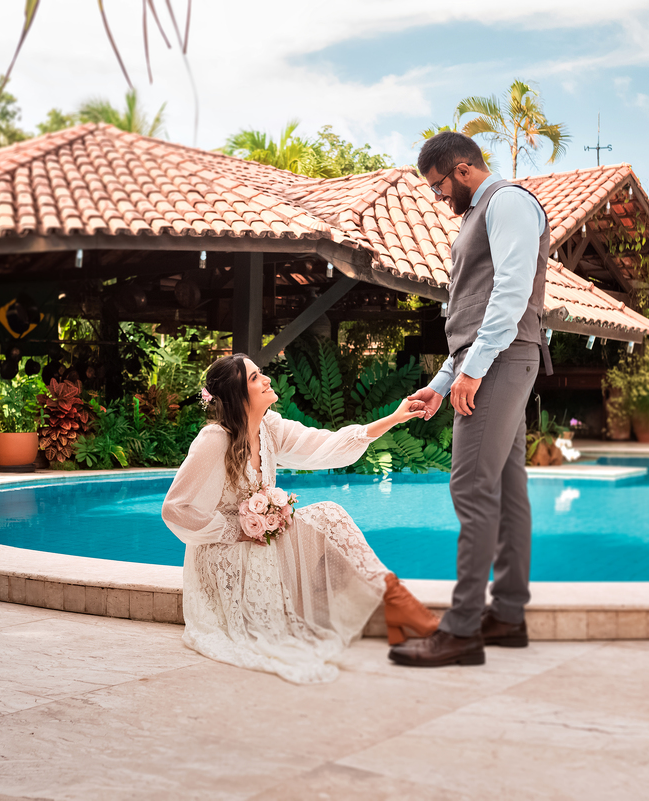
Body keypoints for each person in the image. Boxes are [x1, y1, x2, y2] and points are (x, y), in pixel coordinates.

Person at [161, 354, 439, 684]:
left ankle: (397, 600)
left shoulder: (270, 427)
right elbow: (176, 508)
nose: (266, 380)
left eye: (260, 373)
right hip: (223, 552)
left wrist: (393, 418)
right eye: (254, 378)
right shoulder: (214, 439)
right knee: (316, 522)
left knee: (330, 514)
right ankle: (392, 607)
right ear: (238, 395)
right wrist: (238, 527)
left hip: (260, 536)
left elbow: (327, 444)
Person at [391, 131, 549, 668]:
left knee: (471, 489)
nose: (439, 198)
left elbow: (509, 291)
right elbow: (473, 317)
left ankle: (460, 631)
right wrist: (440, 385)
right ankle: (506, 616)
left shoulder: (506, 202)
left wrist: (473, 372)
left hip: (500, 362)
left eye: (439, 187)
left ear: (462, 170)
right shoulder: (478, 214)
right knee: (506, 487)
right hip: (494, 361)